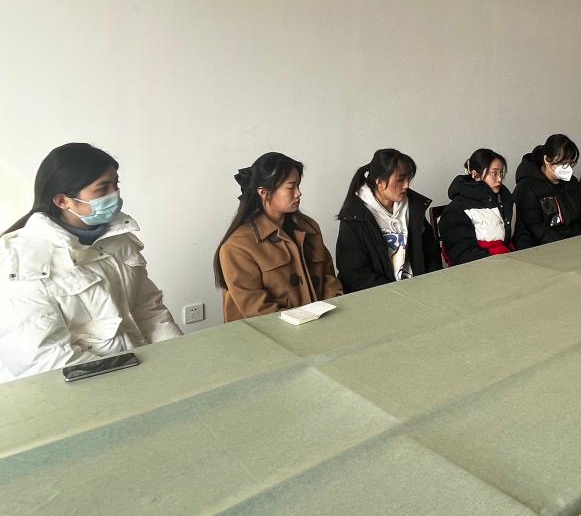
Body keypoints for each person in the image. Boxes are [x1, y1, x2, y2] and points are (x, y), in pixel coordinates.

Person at [0, 143, 181, 382]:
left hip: (137, 372)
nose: (114, 195)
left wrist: (178, 358)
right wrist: (130, 381)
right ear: (63, 201)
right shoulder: (21, 261)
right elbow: (43, 358)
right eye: (102, 188)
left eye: (116, 184)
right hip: (80, 388)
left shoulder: (118, 239)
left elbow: (148, 309)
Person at [215, 152, 343, 322]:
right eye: (291, 187)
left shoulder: (309, 228)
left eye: (298, 185)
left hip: (321, 325)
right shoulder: (237, 246)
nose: (298, 193)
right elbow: (256, 309)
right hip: (268, 332)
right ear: (264, 192)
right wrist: (303, 323)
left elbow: (329, 279)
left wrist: (333, 312)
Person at [336, 149, 442, 291]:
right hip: (378, 296)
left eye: (408, 178)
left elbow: (431, 254)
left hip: (419, 290)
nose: (406, 185)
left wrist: (431, 284)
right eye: (400, 179)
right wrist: (396, 294)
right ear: (379, 182)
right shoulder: (354, 217)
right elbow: (355, 274)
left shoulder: (413, 208)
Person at [438, 149, 514, 265]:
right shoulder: (456, 209)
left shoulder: (504, 200)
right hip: (479, 269)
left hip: (507, 262)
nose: (499, 179)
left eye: (501, 173)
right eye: (494, 173)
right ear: (475, 175)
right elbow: (463, 255)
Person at [513, 134, 581, 248]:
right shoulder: (527, 188)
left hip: (576, 242)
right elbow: (535, 228)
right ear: (547, 159)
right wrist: (564, 246)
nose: (567, 168)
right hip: (546, 247)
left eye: (570, 163)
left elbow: (580, 217)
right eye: (563, 163)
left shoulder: (572, 182)